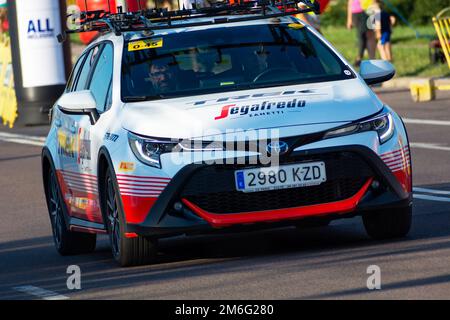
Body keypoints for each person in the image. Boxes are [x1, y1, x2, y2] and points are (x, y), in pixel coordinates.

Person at [347, 0, 376, 66]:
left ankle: (371, 58)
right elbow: (350, 2)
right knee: (361, 35)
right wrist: (349, 18)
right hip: (356, 11)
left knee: (370, 35)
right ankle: (360, 57)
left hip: (369, 9)